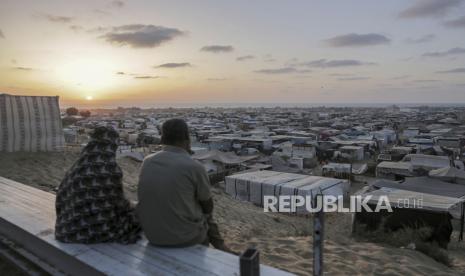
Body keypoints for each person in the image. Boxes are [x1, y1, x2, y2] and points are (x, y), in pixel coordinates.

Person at [137, 118, 229, 251]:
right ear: (187, 138)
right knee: (205, 214)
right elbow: (208, 206)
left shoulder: (148, 161)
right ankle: (220, 246)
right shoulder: (194, 166)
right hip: (185, 239)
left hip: (152, 236)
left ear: (163, 138)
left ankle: (220, 246)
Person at [55, 126, 141, 244]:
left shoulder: (77, 166)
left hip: (68, 228)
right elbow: (118, 202)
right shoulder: (110, 169)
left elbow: (60, 198)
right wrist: (133, 207)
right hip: (97, 230)